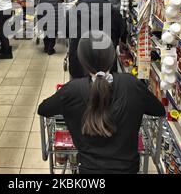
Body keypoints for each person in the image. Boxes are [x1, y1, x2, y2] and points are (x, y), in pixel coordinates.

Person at [38, 31, 165, 174]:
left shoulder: (71, 91)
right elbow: (159, 110)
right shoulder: (131, 84)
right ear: (112, 57)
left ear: (81, 60)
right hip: (128, 169)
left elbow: (43, 109)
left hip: (88, 171)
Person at [67, 0, 126, 78]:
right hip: (105, 65)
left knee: (80, 92)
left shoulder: (73, 11)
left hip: (79, 64)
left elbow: (67, 32)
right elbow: (122, 33)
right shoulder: (114, 13)